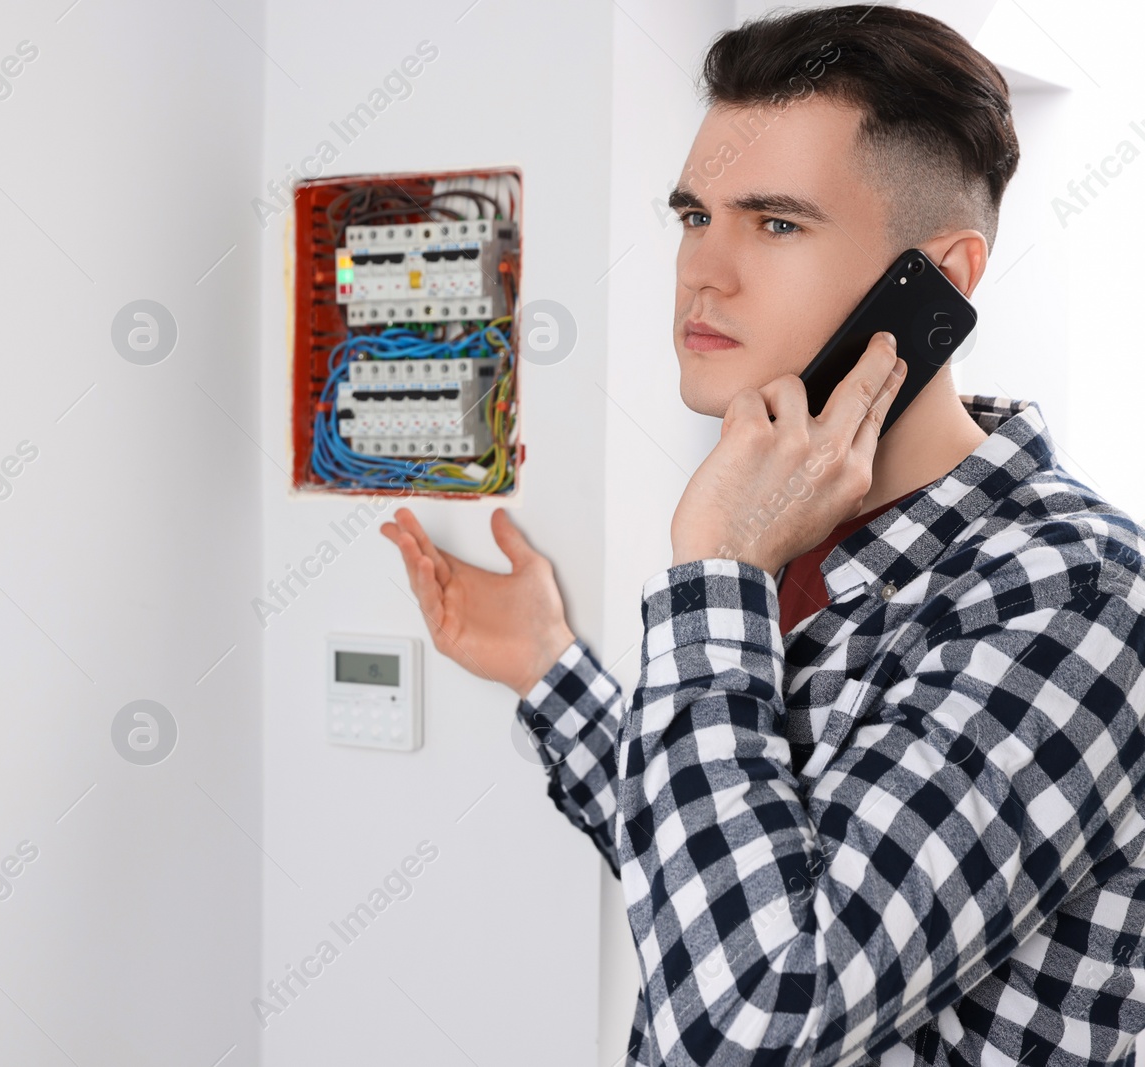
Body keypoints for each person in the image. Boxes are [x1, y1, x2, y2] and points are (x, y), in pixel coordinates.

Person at [381, 7, 1145, 1066]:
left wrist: (718, 572)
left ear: (942, 280)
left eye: (775, 223)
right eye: (695, 215)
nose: (705, 271)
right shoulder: (801, 528)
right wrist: (548, 669)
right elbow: (723, 871)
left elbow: (752, 1017)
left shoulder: (1078, 602)